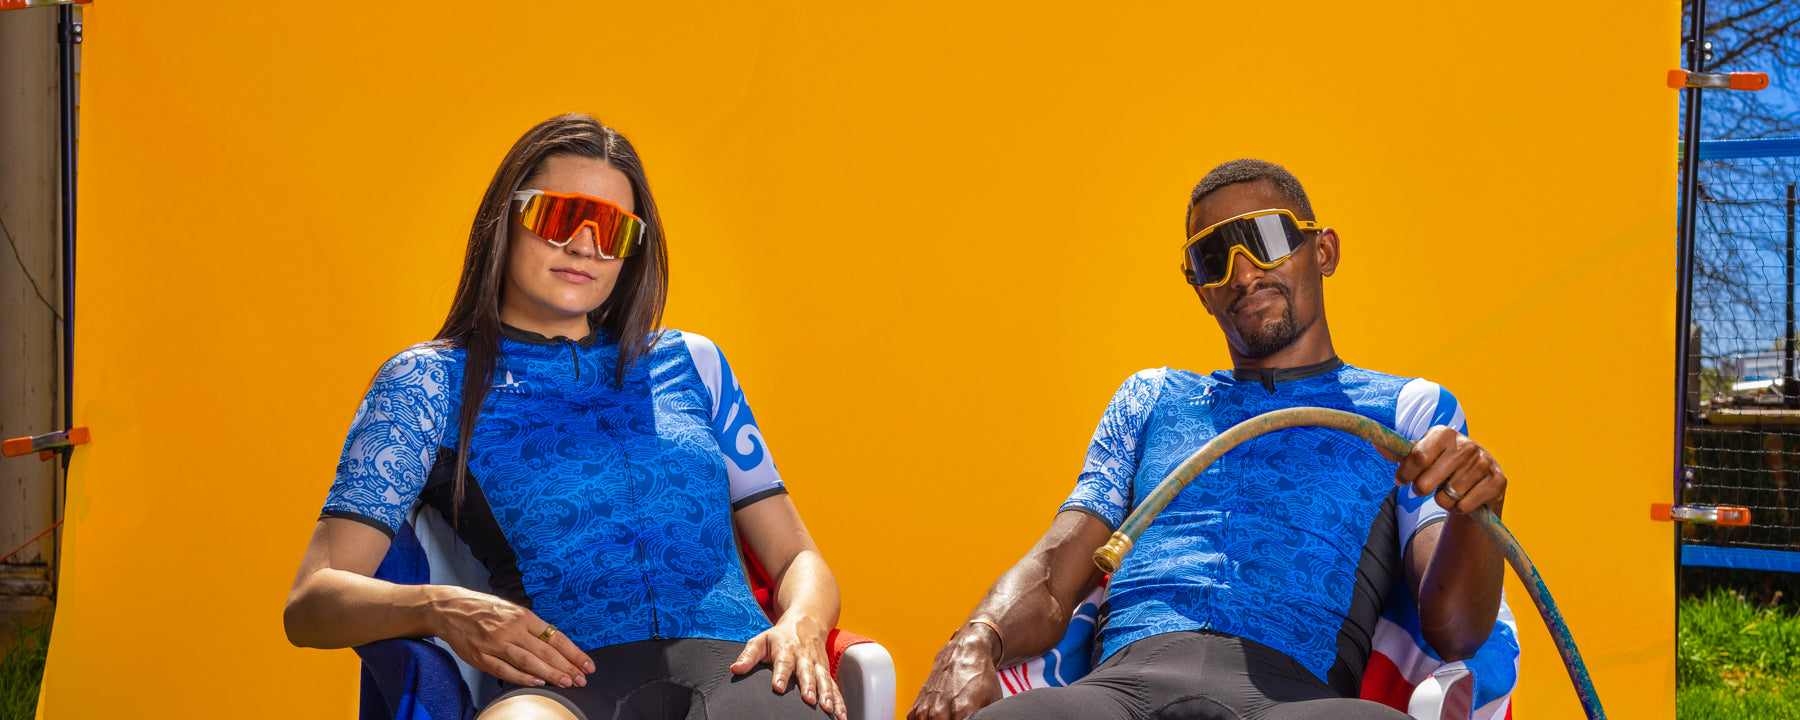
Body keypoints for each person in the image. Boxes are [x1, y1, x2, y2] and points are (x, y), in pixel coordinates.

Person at [285, 113, 844, 720]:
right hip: (559, 681)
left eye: (611, 228)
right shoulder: (426, 383)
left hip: (741, 669)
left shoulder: (694, 363)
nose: (584, 244)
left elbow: (796, 558)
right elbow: (313, 600)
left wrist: (804, 624)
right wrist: (442, 607)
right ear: (507, 220)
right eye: (557, 216)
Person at [908, 159, 1509, 720]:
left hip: (1293, 697)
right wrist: (975, 639)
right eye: (1213, 257)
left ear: (1322, 250)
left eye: (1267, 240)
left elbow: (1454, 630)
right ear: (1198, 287)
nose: (1243, 273)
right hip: (1122, 688)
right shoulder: (1151, 398)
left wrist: (1478, 512)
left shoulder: (1409, 408)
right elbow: (1052, 573)